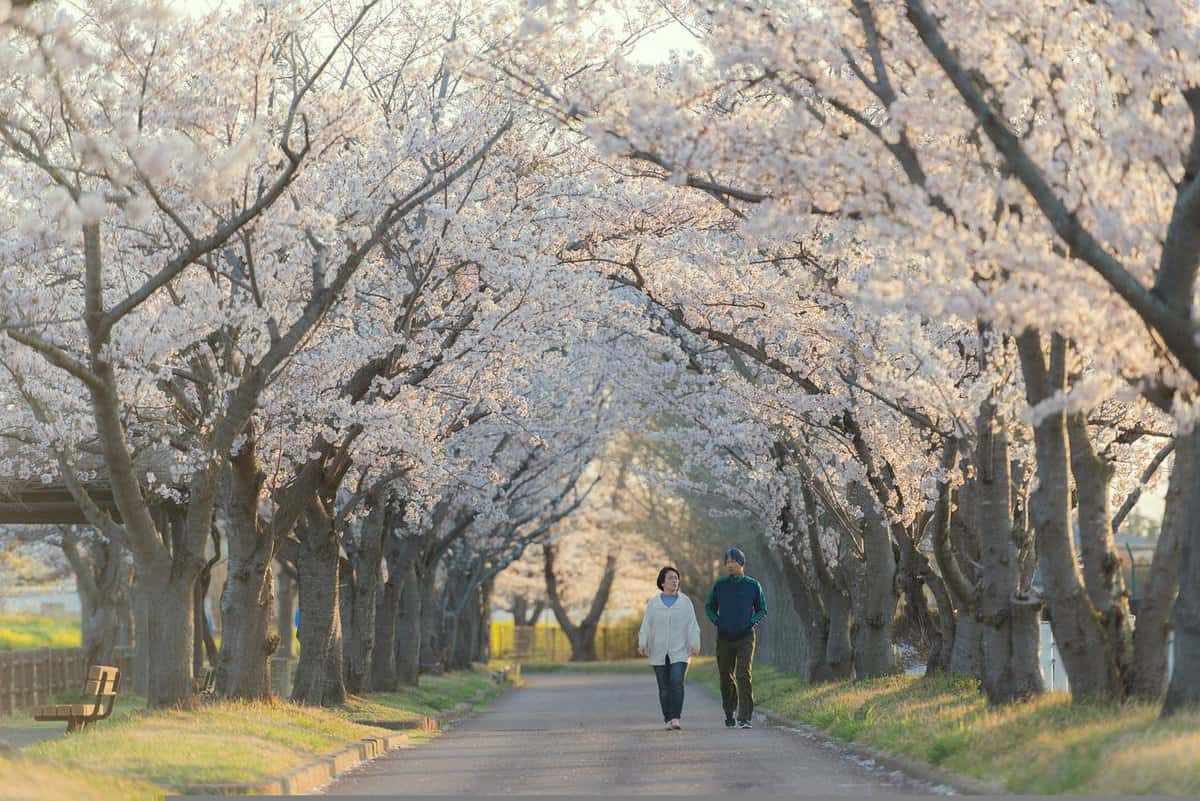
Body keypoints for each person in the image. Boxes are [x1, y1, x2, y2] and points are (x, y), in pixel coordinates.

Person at [705, 547, 766, 729]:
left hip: (746, 636)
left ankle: (745, 717)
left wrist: (752, 622)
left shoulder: (753, 585)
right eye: (727, 562)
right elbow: (709, 607)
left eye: (733, 561)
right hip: (724, 637)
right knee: (725, 676)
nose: (729, 565)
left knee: (743, 674)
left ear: (741, 563)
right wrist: (717, 621)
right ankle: (729, 711)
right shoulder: (720, 585)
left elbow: (762, 609)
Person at [637, 566, 701, 730]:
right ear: (662, 582)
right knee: (664, 688)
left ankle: (675, 718)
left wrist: (695, 643)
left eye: (676, 578)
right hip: (658, 650)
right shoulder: (654, 603)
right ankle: (667, 719)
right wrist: (642, 642)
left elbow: (692, 625)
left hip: (680, 650)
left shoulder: (685, 602)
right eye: (671, 578)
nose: (675, 581)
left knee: (676, 682)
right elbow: (646, 625)